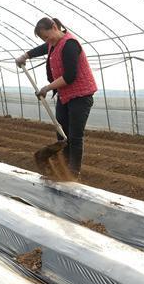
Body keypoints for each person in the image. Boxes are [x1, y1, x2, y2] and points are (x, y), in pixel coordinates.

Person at [15, 18, 97, 176]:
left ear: (54, 27)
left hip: (81, 95)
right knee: (61, 132)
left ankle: (73, 172)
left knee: (74, 135)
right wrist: (25, 56)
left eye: (47, 36)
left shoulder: (70, 44)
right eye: (44, 39)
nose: (47, 41)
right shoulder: (54, 43)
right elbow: (43, 48)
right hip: (65, 95)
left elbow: (70, 76)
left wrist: (46, 88)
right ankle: (64, 165)